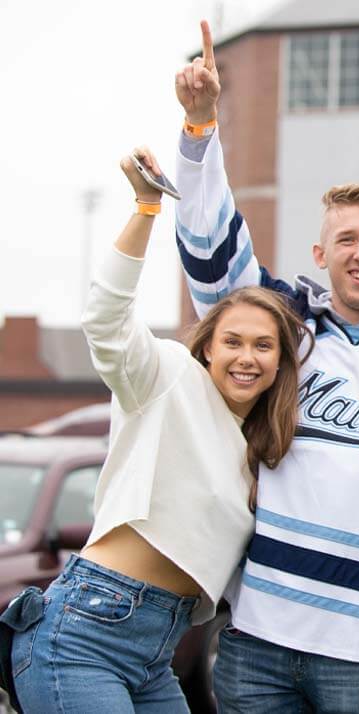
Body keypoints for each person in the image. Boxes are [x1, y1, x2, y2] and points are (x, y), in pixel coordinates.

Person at [173, 20, 359, 713]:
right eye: (345, 239)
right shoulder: (283, 325)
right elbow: (210, 249)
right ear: (319, 254)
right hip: (256, 635)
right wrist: (199, 128)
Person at [2, 146, 309, 713]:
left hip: (155, 654)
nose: (247, 357)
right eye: (233, 342)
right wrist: (146, 207)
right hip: (84, 637)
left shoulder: (256, 449)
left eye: (264, 346)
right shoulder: (167, 378)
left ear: (280, 363)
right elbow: (106, 321)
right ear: (208, 348)